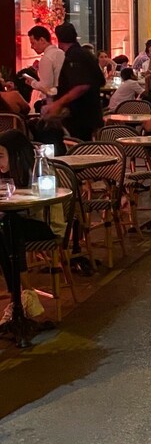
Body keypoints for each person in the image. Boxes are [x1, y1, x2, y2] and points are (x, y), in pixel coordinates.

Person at [0, 131, 53, 323]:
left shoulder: (37, 172)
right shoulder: (6, 176)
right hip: (16, 225)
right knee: (5, 227)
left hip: (44, 224)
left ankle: (22, 295)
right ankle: (22, 296)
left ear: (15, 155)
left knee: (8, 225)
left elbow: (41, 204)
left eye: (1, 156)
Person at [43, 23, 104, 140]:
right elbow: (101, 80)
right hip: (92, 112)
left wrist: (58, 103)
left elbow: (81, 86)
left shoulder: (75, 56)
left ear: (59, 40)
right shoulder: (86, 54)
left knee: (78, 147)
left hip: (80, 116)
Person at [23, 26, 65, 101]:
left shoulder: (46, 58)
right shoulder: (61, 53)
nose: (32, 47)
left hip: (55, 100)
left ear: (42, 40)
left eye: (33, 43)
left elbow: (46, 88)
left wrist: (32, 82)